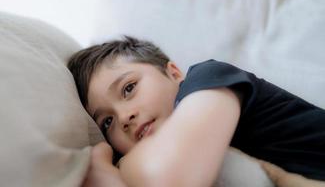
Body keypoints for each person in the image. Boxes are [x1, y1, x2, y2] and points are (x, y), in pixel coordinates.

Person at [68, 36, 325, 187]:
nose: (124, 118)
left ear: (174, 73)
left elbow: (173, 178)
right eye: (107, 122)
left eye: (128, 88)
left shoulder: (209, 79)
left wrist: (106, 173)